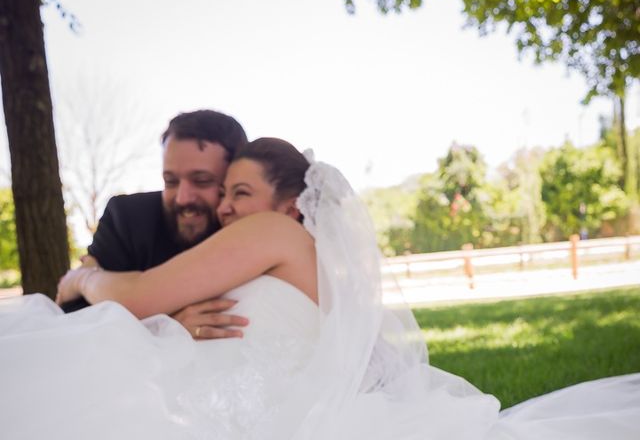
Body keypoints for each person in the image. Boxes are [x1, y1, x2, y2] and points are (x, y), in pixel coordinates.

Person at [1, 138, 639, 440]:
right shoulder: (314, 265)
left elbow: (136, 294)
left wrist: (82, 276)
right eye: (224, 194)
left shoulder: (272, 236)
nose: (224, 208)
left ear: (293, 205)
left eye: (238, 192)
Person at [61, 109, 251, 339]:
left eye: (201, 181)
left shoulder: (256, 222)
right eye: (170, 181)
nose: (182, 198)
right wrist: (163, 327)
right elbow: (73, 314)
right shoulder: (127, 217)